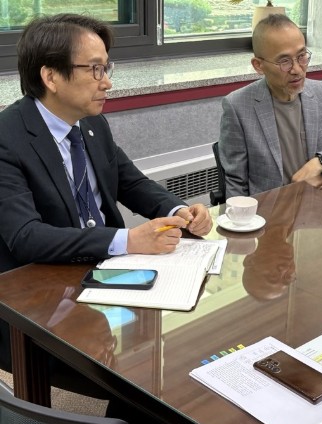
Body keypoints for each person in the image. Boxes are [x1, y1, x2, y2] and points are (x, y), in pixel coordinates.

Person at [0, 13, 212, 395]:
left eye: (106, 68)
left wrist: (177, 210)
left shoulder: (91, 123)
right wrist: (128, 240)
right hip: (46, 291)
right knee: (135, 385)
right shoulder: (7, 137)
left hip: (107, 272)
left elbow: (131, 182)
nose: (107, 82)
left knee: (185, 346)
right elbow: (26, 236)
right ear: (51, 77)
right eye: (95, 69)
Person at [218, 14, 322, 197]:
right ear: (258, 65)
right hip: (270, 209)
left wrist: (321, 162)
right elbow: (236, 184)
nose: (297, 69)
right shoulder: (238, 107)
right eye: (284, 61)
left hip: (320, 205)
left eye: (302, 56)